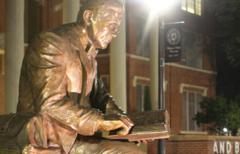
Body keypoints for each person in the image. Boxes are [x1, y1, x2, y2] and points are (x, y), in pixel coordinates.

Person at [16, 0, 144, 153]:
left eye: (117, 27)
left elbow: (101, 98)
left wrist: (126, 123)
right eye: (111, 25)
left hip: (78, 136)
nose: (115, 32)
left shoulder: (90, 52)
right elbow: (50, 105)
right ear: (89, 17)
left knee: (131, 148)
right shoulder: (52, 43)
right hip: (50, 139)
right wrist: (100, 122)